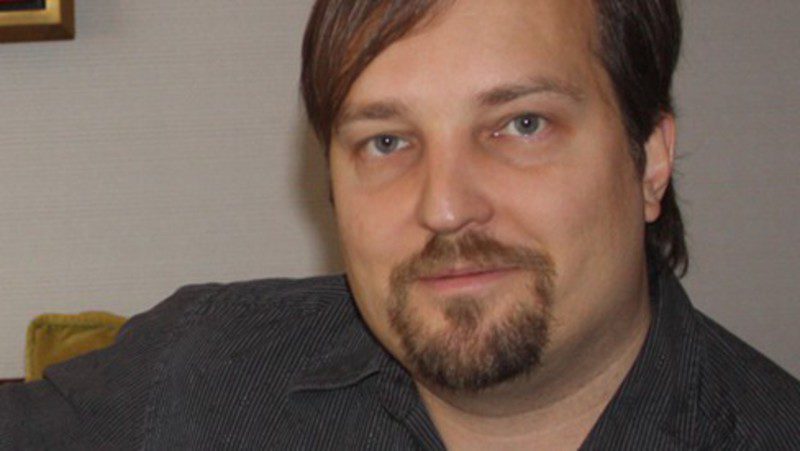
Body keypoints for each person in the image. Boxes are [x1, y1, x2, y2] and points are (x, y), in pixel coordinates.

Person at [2, 0, 799, 449]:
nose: (444, 205)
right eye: (386, 141)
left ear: (649, 159)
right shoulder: (198, 372)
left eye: (522, 125)